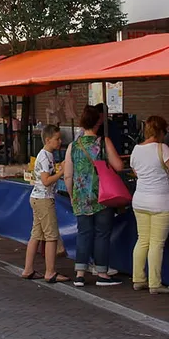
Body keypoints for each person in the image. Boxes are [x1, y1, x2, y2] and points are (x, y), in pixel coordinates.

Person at [63, 105, 125, 287]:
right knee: (102, 234)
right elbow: (119, 166)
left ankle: (80, 274)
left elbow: (68, 175)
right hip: (102, 196)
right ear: (98, 121)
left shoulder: (73, 146)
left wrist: (72, 194)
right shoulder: (103, 142)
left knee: (83, 233)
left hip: (81, 196)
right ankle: (102, 274)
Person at [129, 116, 169, 294]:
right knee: (156, 243)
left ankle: (138, 279)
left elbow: (137, 172)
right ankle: (155, 283)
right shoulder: (163, 149)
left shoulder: (136, 150)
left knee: (142, 239)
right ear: (161, 131)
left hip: (139, 200)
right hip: (161, 202)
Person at [22, 124, 68, 283]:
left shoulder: (45, 155)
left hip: (37, 197)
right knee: (51, 236)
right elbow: (46, 180)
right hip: (44, 199)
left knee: (36, 234)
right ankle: (50, 271)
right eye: (57, 139)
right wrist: (62, 172)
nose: (60, 141)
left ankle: (28, 269)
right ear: (48, 140)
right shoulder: (45, 156)